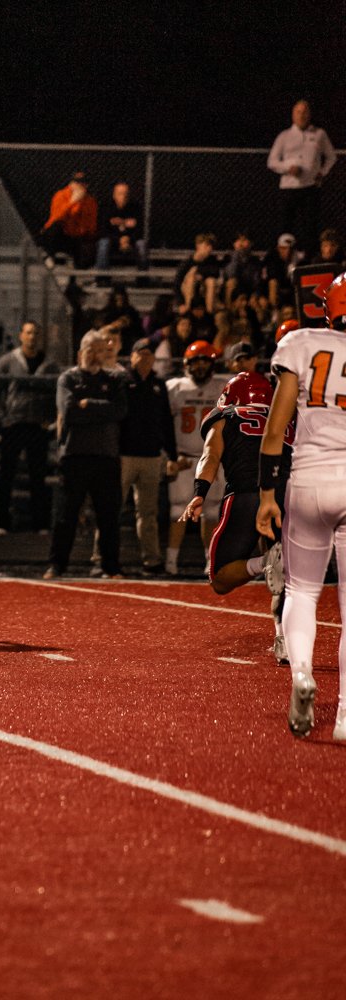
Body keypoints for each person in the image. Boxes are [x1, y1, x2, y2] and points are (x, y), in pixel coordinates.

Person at [257, 273, 346, 739]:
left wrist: (266, 494)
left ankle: (303, 673)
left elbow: (276, 428)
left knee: (302, 591)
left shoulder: (302, 342)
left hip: (310, 477)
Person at [181, 371, 292, 664]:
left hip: (246, 495)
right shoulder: (289, 416)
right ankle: (284, 639)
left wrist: (199, 493)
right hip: (290, 496)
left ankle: (264, 562)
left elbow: (210, 456)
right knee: (289, 581)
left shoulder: (226, 416)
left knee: (220, 578)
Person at [44, 330, 128, 579]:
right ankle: (57, 565)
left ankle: (111, 566)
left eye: (100, 350)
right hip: (74, 455)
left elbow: (120, 411)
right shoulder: (68, 379)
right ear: (81, 352)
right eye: (91, 350)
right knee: (66, 514)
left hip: (106, 456)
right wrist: (100, 409)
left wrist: (87, 404)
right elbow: (69, 410)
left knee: (108, 515)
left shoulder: (114, 380)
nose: (95, 355)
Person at [0, 321, 60, 534]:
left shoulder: (49, 364)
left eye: (36, 333)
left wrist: (50, 419)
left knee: (38, 476)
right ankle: (1, 522)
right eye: (29, 333)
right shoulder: (7, 361)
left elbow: (57, 393)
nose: (32, 337)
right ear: (21, 335)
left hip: (38, 426)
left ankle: (41, 523)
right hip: (13, 425)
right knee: (6, 474)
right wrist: (2, 416)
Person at [165, 340, 227, 576]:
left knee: (211, 511)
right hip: (185, 458)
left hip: (212, 458)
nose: (200, 366)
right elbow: (162, 424)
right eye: (195, 362)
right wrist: (170, 456)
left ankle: (210, 560)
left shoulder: (222, 386)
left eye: (205, 361)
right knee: (177, 510)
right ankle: (171, 561)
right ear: (186, 364)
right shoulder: (174, 387)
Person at [119, 338, 178, 574]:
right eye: (140, 353)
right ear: (132, 356)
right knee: (112, 508)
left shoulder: (158, 385)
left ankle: (151, 559)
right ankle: (103, 558)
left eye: (149, 354)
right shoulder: (122, 381)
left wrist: (172, 455)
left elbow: (166, 421)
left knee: (148, 512)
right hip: (124, 454)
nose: (145, 358)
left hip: (151, 455)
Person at [267, 100, 337, 257]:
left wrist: (322, 172)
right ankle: (283, 261)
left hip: (310, 188)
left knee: (310, 227)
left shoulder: (319, 134)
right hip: (288, 188)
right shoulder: (284, 136)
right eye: (298, 112)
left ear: (309, 114)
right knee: (285, 226)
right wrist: (288, 168)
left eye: (305, 112)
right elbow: (271, 162)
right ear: (293, 115)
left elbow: (331, 157)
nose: (301, 115)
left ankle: (309, 260)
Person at [39, 170, 98, 269]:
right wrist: (72, 202)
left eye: (82, 183)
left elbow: (90, 225)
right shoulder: (60, 195)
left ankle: (74, 270)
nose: (79, 185)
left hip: (76, 236)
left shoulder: (90, 201)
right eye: (76, 182)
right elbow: (56, 217)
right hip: (60, 235)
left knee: (85, 248)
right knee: (55, 227)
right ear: (71, 184)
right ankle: (50, 256)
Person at [94, 182, 147, 270]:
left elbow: (140, 229)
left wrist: (128, 238)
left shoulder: (136, 208)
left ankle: (142, 276)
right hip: (112, 240)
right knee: (103, 243)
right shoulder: (106, 207)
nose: (123, 196)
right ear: (114, 195)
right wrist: (118, 240)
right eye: (120, 194)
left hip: (130, 240)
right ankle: (102, 276)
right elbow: (102, 230)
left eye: (126, 194)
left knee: (141, 244)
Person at [174, 234, 220, 316]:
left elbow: (215, 273)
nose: (210, 248)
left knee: (211, 281)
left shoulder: (211, 260)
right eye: (206, 245)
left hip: (203, 290)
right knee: (191, 276)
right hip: (188, 290)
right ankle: (187, 308)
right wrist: (180, 303)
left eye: (211, 246)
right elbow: (177, 283)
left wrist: (200, 272)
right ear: (198, 246)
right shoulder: (187, 263)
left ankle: (210, 311)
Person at [262, 233, 301, 313]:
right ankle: (274, 312)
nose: (287, 251)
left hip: (293, 290)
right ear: (278, 248)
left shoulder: (299, 260)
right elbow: (268, 279)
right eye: (283, 248)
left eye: (290, 249)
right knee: (273, 283)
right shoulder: (272, 259)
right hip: (276, 289)